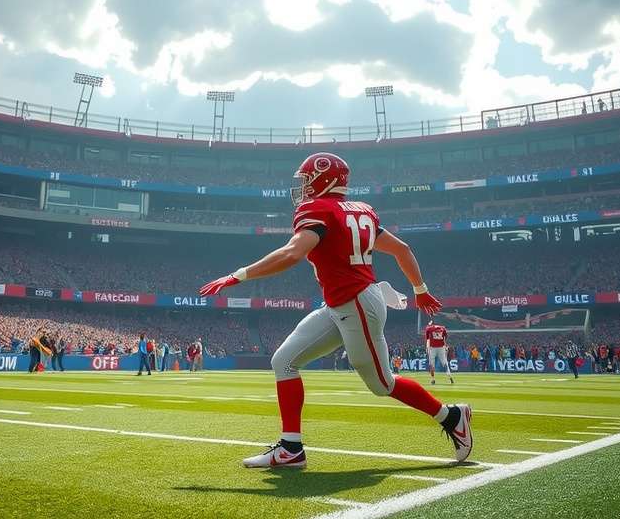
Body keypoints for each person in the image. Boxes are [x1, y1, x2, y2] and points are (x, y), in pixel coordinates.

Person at [200, 152, 472, 468]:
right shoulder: (362, 211)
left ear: (323, 178)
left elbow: (292, 253)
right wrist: (420, 290)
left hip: (355, 302)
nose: (302, 187)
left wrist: (239, 275)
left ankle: (451, 416)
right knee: (284, 361)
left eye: (306, 179)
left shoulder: (317, 209)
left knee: (382, 384)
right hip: (344, 302)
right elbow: (402, 249)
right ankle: (291, 448)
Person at [424, 319, 454, 385]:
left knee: (432, 364)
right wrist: (444, 344)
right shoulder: (443, 328)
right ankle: (450, 376)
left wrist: (429, 324)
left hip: (432, 348)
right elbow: (445, 337)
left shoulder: (430, 328)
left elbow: (427, 338)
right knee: (445, 363)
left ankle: (433, 379)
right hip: (441, 347)